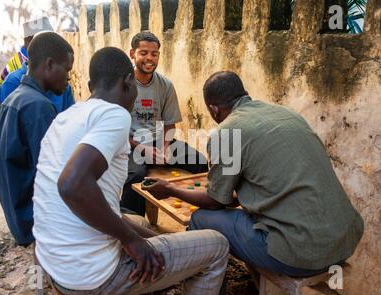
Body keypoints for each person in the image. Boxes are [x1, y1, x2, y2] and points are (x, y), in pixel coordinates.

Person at [32, 47, 229, 295]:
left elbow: (86, 197)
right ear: (128, 82)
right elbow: (71, 184)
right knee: (218, 246)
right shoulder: (115, 114)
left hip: (55, 265)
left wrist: (150, 239)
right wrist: (132, 242)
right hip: (93, 277)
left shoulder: (66, 117)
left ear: (92, 85)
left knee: (143, 224)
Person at [143, 71, 364, 277]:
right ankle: (252, 282)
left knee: (200, 218)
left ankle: (207, 291)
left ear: (213, 110)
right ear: (244, 94)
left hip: (299, 254)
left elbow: (215, 202)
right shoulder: (285, 113)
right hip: (344, 241)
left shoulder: (228, 132)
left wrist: (170, 188)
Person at [0, 32, 74, 246]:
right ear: (49, 64)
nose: (68, 78)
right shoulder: (39, 107)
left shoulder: (15, 97)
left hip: (15, 212)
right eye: (66, 70)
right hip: (33, 219)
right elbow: (54, 176)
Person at [121, 31, 208, 216]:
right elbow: (117, 130)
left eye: (154, 54)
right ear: (132, 54)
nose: (149, 58)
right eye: (143, 53)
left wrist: (165, 147)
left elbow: (169, 124)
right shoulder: (123, 84)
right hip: (129, 145)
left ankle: (198, 217)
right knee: (135, 176)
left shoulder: (165, 85)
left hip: (158, 143)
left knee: (200, 162)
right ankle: (133, 222)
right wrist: (142, 148)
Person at [0, 17, 75, 115]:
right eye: (45, 41)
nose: (68, 77)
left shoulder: (62, 85)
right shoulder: (13, 80)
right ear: (29, 41)